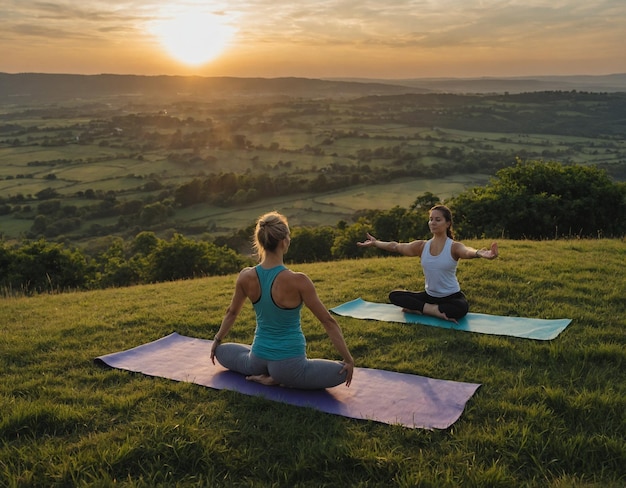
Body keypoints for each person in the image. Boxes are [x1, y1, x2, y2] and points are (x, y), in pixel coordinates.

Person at [210, 211, 354, 389]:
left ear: (261, 242)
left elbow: (231, 312)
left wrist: (216, 340)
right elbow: (328, 321)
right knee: (342, 371)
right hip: (290, 368)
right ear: (283, 242)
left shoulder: (245, 276)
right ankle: (277, 378)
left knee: (221, 352)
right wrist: (348, 360)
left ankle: (266, 375)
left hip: (256, 360)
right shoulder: (299, 281)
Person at [357, 204, 498, 323]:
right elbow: (395, 246)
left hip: (451, 297)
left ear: (448, 223)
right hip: (429, 296)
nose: (433, 223)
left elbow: (467, 251)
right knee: (395, 296)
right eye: (431, 219)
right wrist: (376, 243)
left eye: (438, 219)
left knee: (461, 309)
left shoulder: (453, 246)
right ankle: (432, 310)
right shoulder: (421, 246)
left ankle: (422, 308)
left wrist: (480, 253)